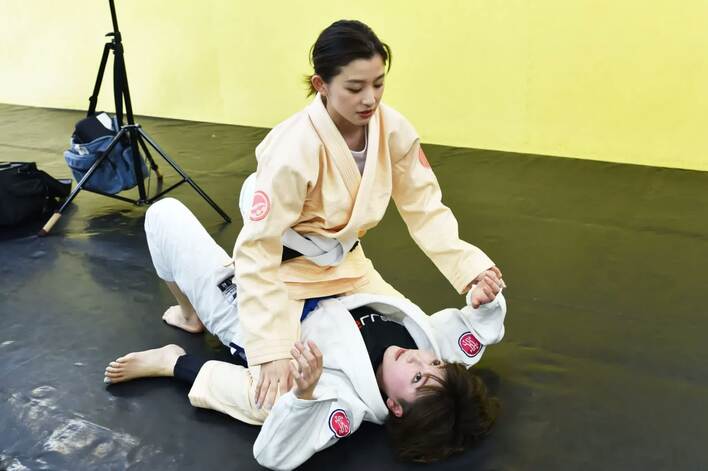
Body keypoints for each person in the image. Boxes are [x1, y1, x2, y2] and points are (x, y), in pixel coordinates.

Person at [105, 198, 507, 469]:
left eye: (418, 377)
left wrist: (303, 395)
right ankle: (188, 313)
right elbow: (478, 330)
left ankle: (174, 356)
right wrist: (484, 299)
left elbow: (274, 452)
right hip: (320, 273)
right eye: (434, 364)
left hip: (251, 311)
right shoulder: (431, 349)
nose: (419, 359)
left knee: (163, 215)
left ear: (395, 407)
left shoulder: (343, 403)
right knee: (262, 193)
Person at [232, 19, 506, 413]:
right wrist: (271, 349)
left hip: (348, 265)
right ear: (321, 84)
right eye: (355, 87)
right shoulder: (294, 147)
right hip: (289, 272)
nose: (370, 99)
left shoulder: (392, 130)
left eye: (378, 84)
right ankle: (174, 359)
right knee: (276, 397)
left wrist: (469, 269)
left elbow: (425, 207)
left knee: (420, 340)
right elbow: (258, 246)